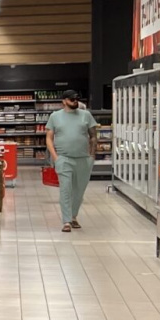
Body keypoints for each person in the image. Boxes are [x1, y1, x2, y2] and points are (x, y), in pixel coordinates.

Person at [45, 89, 98, 233]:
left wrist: (92, 155)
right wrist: (55, 157)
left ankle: (73, 216)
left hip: (83, 159)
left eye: (76, 99)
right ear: (64, 101)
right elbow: (49, 138)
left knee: (79, 191)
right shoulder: (55, 117)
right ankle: (67, 220)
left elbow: (93, 135)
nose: (75, 102)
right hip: (63, 158)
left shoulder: (86, 115)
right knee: (65, 189)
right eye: (72, 99)